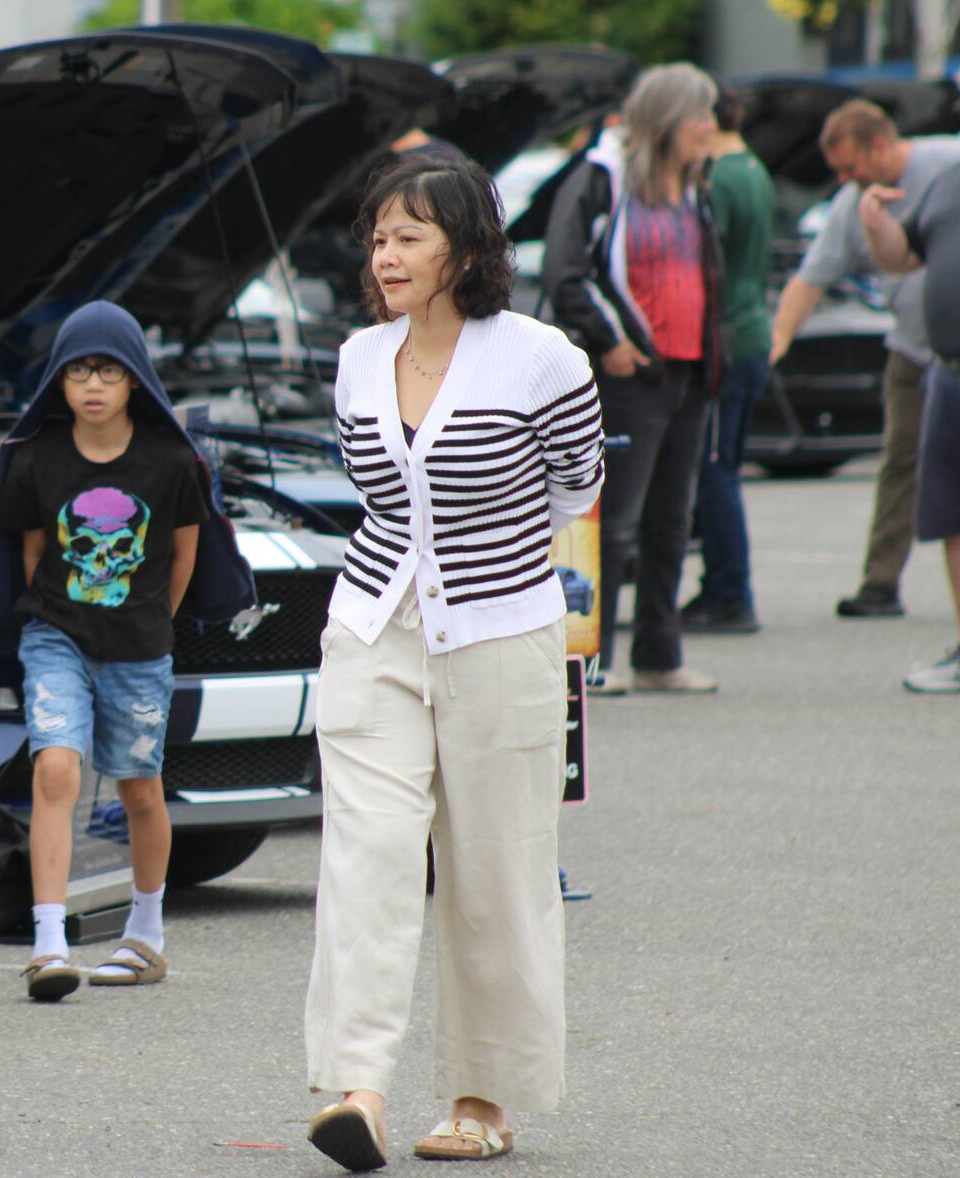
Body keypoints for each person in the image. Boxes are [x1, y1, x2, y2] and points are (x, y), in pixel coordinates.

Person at [302, 150, 603, 1171]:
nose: (384, 255)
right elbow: (374, 499)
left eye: (407, 236)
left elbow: (574, 487)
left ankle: (481, 1098)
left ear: (466, 246)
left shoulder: (543, 359)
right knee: (367, 855)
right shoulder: (354, 357)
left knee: (491, 874)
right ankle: (359, 1089)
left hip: (499, 635)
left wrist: (489, 559)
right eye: (376, 237)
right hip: (371, 625)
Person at [0, 300, 255, 1000]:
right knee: (55, 769)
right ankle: (49, 943)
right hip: (55, 636)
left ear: (135, 382)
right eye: (78, 371)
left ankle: (146, 934)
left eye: (110, 371)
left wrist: (152, 621)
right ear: (58, 381)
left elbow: (186, 555)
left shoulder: (172, 462)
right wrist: (53, 618)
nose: (93, 384)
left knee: (139, 790)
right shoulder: (35, 459)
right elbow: (30, 550)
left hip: (140, 648)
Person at [541, 63, 722, 694]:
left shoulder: (697, 186)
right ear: (670, 118)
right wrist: (612, 343)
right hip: (629, 375)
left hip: (689, 370)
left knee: (672, 520)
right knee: (614, 520)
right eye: (703, 115)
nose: (711, 128)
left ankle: (658, 656)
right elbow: (565, 271)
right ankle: (594, 658)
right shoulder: (602, 177)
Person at [771, 100, 960, 619]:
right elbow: (812, 278)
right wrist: (780, 340)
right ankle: (880, 582)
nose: (842, 178)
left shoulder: (949, 164)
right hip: (911, 348)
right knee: (901, 460)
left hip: (956, 353)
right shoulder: (852, 204)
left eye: (848, 165)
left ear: (879, 145)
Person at [860, 155, 960, 691]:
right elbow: (903, 257)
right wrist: (878, 226)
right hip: (949, 371)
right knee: (952, 518)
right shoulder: (949, 183)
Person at [683, 86, 775, 633]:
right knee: (726, 470)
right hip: (751, 332)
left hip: (727, 340)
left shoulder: (719, 180)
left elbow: (704, 263)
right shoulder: (755, 169)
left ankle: (728, 591)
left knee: (714, 472)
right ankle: (725, 585)